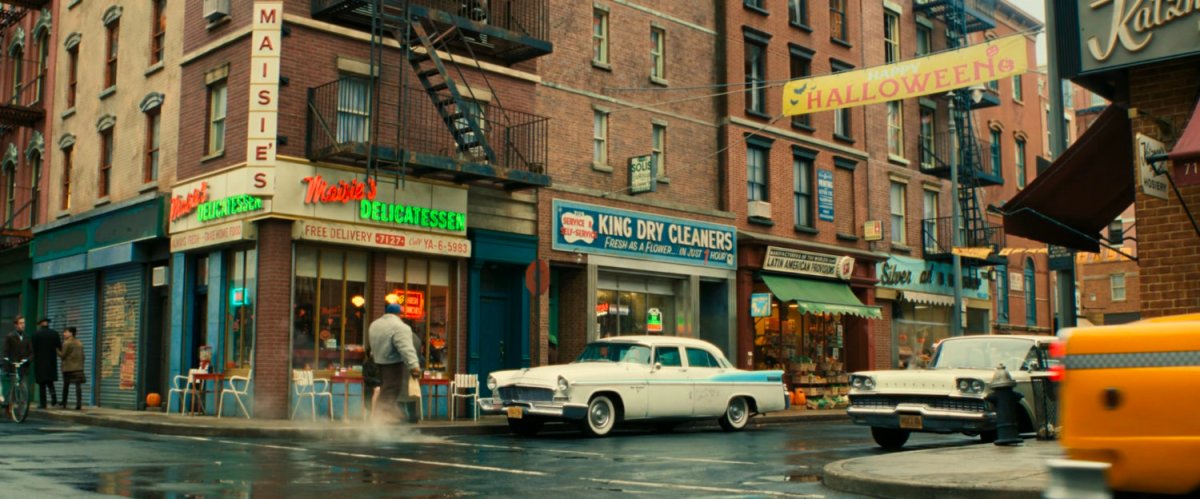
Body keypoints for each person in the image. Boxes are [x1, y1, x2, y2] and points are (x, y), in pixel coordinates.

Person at [368, 303, 420, 423]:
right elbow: (406, 348)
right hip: (392, 363)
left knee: (383, 390)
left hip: (377, 362)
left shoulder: (374, 324)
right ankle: (381, 418)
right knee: (391, 390)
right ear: (399, 314)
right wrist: (414, 367)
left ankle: (383, 416)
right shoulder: (400, 327)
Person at [1, 315, 31, 408]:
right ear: (16, 325)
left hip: (23, 367)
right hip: (12, 366)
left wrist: (27, 360)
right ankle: (9, 404)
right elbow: (5, 351)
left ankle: (22, 408)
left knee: (24, 389)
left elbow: (32, 352)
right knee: (12, 386)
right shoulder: (10, 336)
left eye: (24, 323)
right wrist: (6, 359)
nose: (23, 325)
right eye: (21, 323)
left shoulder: (27, 337)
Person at [31, 317, 60, 409]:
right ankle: (54, 399)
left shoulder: (36, 334)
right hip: (51, 362)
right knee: (50, 382)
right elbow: (59, 346)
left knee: (42, 384)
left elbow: (32, 348)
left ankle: (43, 404)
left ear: (40, 324)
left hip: (40, 362)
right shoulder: (55, 334)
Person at [58, 327, 84, 410]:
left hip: (68, 368)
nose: (64, 334)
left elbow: (62, 355)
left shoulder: (67, 343)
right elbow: (83, 356)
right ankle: (78, 404)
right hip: (79, 368)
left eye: (66, 332)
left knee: (66, 386)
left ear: (71, 333)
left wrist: (56, 350)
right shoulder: (79, 343)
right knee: (78, 386)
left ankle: (64, 403)